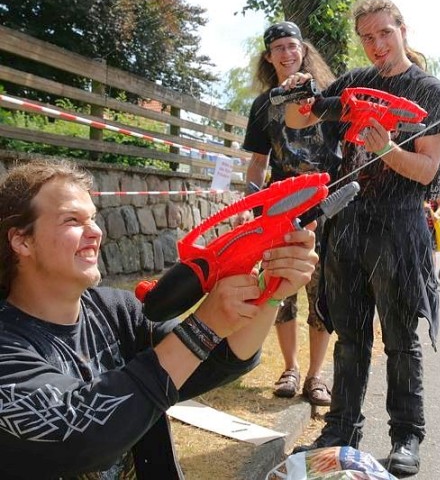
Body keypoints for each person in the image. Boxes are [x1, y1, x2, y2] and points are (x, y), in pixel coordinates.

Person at [0, 158, 318, 478]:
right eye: (72, 220)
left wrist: (272, 289)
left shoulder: (116, 311)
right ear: (22, 241)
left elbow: (220, 357)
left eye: (93, 219)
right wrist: (203, 327)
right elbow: (83, 434)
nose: (95, 232)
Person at [282, 0, 440, 477]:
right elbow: (305, 119)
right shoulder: (355, 82)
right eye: (367, 38)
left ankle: (406, 437)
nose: (377, 45)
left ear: (403, 29)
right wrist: (298, 94)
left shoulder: (428, 91)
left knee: (400, 338)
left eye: (385, 33)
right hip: (348, 221)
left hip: (398, 226)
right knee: (350, 336)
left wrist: (389, 148)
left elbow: (425, 170)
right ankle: (341, 429)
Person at [241, 21, 340, 406]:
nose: (286, 53)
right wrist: (254, 208)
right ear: (269, 57)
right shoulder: (263, 104)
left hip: (325, 206)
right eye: (278, 47)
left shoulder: (326, 96)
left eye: (292, 46)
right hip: (281, 207)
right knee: (281, 289)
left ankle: (316, 377)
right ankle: (290, 368)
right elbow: (256, 164)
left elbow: (344, 150)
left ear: (303, 50)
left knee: (321, 292)